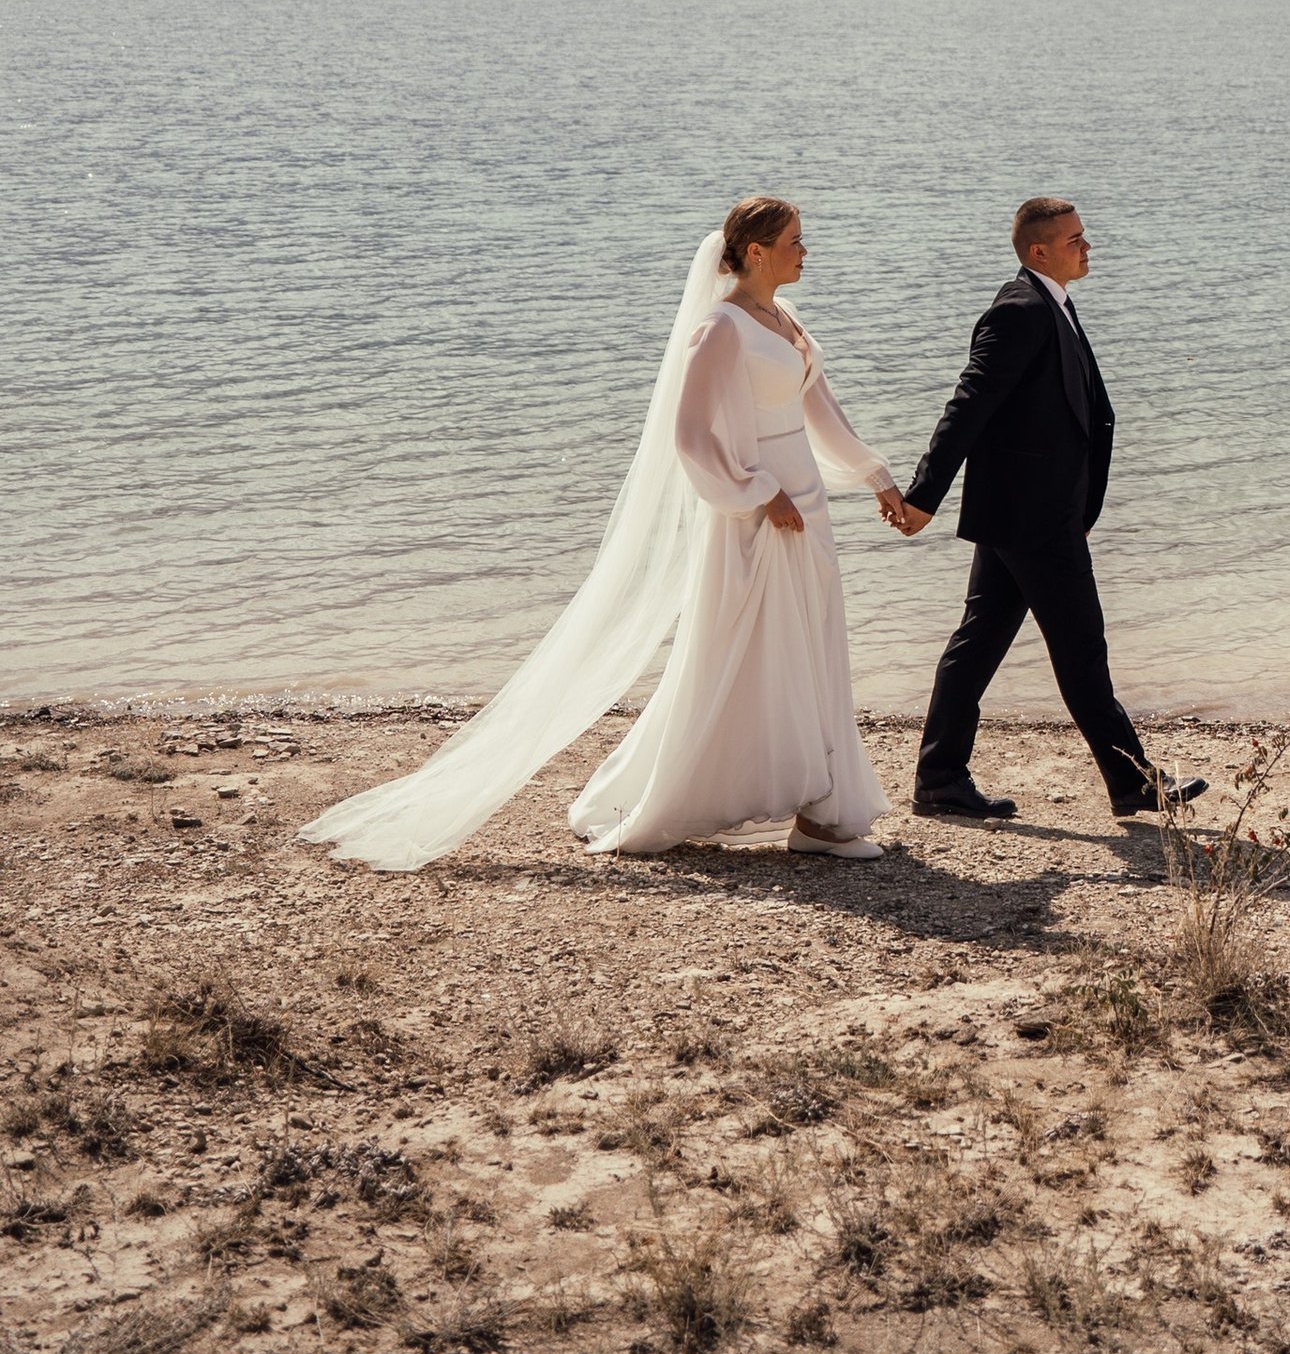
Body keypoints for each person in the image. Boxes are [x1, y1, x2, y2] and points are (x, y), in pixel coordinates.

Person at [301, 198, 913, 871]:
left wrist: (877, 476)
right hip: (757, 517)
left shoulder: (785, 318)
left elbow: (820, 413)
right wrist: (761, 494)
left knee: (813, 650)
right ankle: (793, 812)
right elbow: (690, 434)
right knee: (754, 659)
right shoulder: (719, 329)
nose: (807, 250)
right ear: (757, 251)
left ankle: (817, 812)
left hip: (808, 509)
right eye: (795, 240)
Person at [895, 196, 1201, 826]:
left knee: (978, 642)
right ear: (1039, 251)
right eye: (1075, 240)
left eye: (1084, 237)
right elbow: (969, 404)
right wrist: (925, 494)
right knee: (1081, 646)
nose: (1087, 248)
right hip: (1033, 517)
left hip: (1030, 511)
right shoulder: (1018, 311)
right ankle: (1132, 781)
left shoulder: (1052, 304)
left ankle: (939, 776)